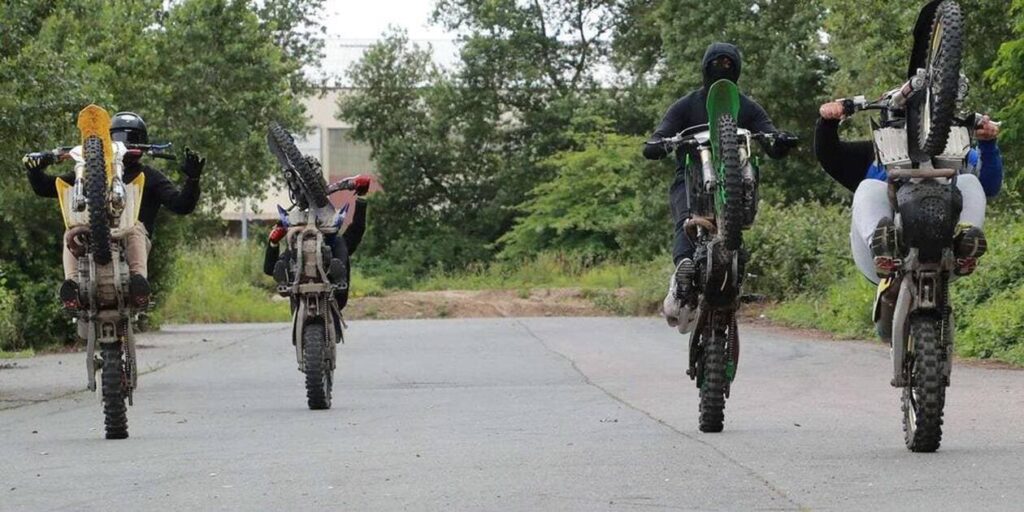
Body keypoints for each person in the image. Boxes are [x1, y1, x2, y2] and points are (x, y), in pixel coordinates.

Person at [643, 42, 797, 330]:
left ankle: (733, 272)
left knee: (741, 219)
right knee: (685, 219)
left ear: (736, 70)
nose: (722, 69)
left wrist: (780, 140)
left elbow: (770, 136)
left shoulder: (747, 106)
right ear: (705, 68)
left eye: (729, 64)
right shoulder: (685, 105)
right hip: (690, 179)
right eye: (717, 64)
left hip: (734, 187)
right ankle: (683, 273)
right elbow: (658, 136)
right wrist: (658, 143)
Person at [22, 111, 205, 311]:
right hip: (91, 235)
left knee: (134, 229)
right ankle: (72, 287)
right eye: (116, 138)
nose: (124, 144)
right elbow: (47, 187)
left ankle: (138, 284)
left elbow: (181, 205)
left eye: (132, 139)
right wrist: (34, 170)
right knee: (71, 231)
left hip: (131, 238)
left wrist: (192, 180)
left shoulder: (150, 176)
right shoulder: (90, 172)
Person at [814, 101, 1003, 284]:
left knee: (969, 181)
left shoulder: (958, 153)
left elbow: (989, 186)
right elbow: (829, 154)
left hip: (950, 258)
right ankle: (881, 247)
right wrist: (828, 120)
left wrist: (988, 144)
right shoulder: (874, 155)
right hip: (877, 263)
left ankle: (965, 246)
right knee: (867, 187)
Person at [262, 157, 371, 310]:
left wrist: (362, 196)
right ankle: (285, 280)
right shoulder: (296, 232)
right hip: (299, 297)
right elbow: (269, 269)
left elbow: (357, 229)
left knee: (340, 243)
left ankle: (338, 277)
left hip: (335, 296)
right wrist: (273, 242)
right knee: (290, 250)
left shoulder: (335, 240)